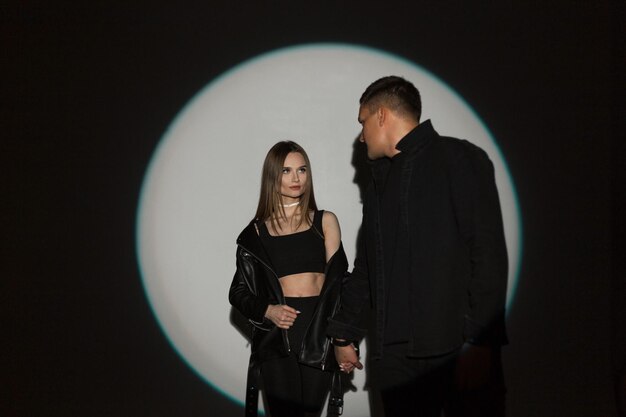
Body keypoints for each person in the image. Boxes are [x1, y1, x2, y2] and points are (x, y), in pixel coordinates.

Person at [327, 76, 509, 416]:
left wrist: (481, 342)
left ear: (381, 115)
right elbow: (368, 270)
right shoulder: (379, 185)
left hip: (454, 350)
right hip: (395, 360)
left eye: (363, 121)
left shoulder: (459, 159)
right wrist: (343, 335)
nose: (361, 134)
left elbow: (487, 255)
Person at [229, 141, 349, 417]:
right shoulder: (256, 233)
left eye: (302, 169)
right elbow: (237, 292)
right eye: (286, 171)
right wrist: (267, 310)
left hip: (317, 332)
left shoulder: (325, 221)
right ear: (273, 176)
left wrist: (344, 339)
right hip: (277, 336)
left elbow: (339, 285)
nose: (296, 178)